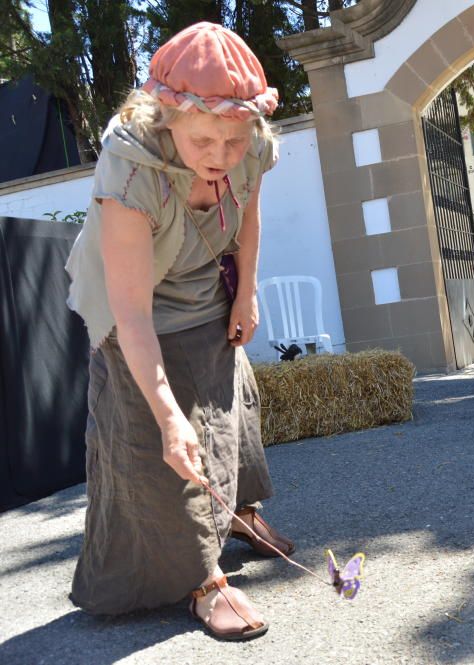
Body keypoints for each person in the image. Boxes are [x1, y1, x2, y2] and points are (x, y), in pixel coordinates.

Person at [65, 23, 292, 640]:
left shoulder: (250, 147)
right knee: (157, 441)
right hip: (131, 305)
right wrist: (167, 414)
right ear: (166, 116)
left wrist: (245, 292)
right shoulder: (129, 173)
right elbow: (133, 311)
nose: (220, 155)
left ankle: (239, 514)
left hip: (201, 283)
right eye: (202, 140)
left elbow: (247, 210)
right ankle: (202, 578)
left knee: (228, 406)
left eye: (233, 140)